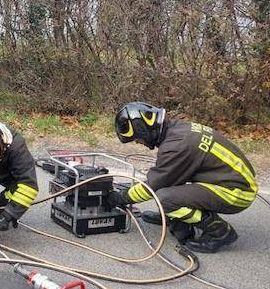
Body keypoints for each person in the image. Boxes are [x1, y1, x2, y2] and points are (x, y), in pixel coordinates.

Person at [107, 102, 258, 253]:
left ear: (144, 129)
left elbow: (152, 187)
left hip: (235, 192)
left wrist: (122, 197)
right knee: (171, 183)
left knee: (164, 198)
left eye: (137, 138)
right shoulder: (179, 129)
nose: (139, 142)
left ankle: (219, 231)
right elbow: (173, 176)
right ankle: (172, 215)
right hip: (233, 180)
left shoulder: (176, 146)